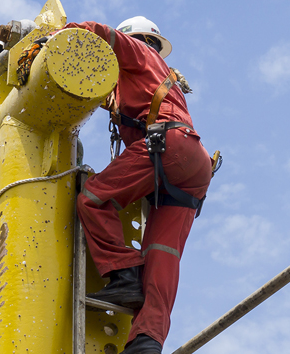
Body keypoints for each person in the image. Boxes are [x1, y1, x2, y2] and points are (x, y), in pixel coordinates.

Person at [66, 16, 212, 354]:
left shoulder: (137, 53)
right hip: (193, 166)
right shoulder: (157, 75)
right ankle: (147, 342)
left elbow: (100, 32)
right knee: (162, 256)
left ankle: (123, 274)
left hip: (166, 147)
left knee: (92, 199)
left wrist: (54, 38)